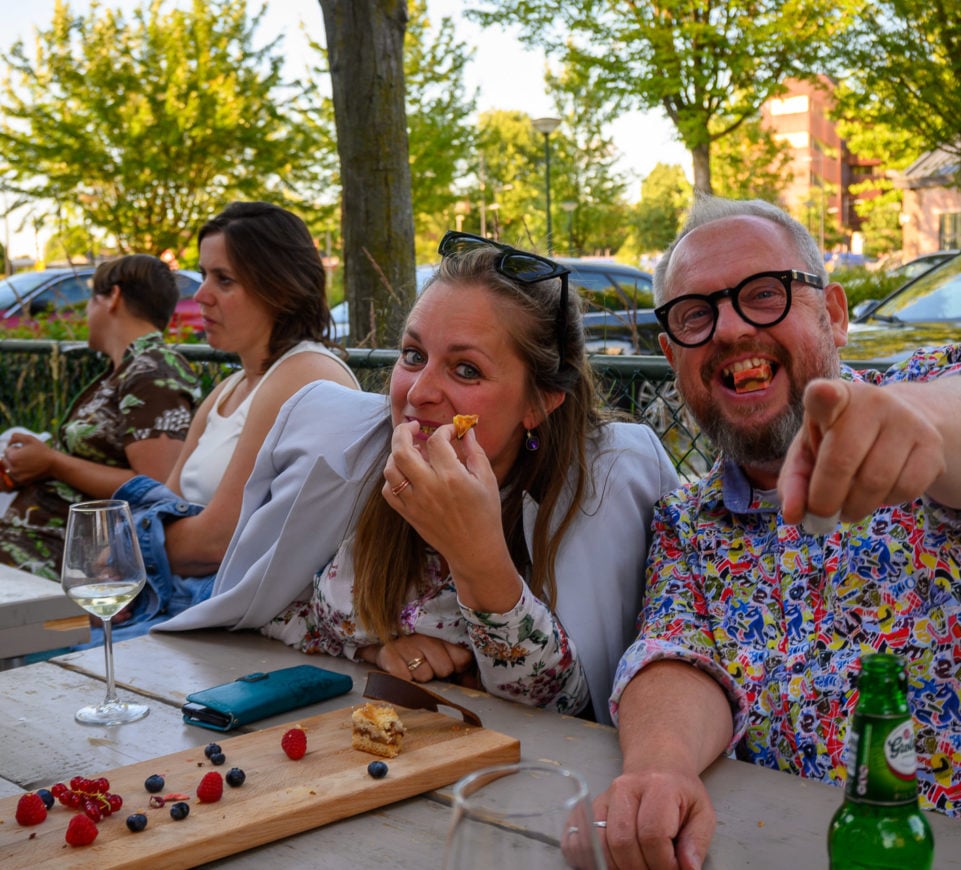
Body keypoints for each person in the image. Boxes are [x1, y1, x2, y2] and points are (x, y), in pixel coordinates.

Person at [592, 196, 961, 867]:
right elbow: (677, 653)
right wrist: (662, 766)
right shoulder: (690, 521)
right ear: (670, 353)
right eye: (694, 314)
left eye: (763, 295)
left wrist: (918, 425)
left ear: (832, 315)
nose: (730, 328)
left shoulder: (927, 396)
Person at [157, 232, 680, 723]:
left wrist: (476, 553)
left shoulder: (600, 492)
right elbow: (269, 605)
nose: (418, 391)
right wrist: (374, 648)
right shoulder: (363, 467)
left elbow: (566, 708)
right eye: (413, 356)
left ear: (539, 403)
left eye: (465, 370)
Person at [109, 201, 359, 636]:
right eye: (204, 275)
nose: (200, 295)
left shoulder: (305, 374)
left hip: (234, 618)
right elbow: (165, 502)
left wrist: (119, 557)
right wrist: (129, 557)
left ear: (279, 288)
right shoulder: (230, 388)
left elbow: (220, 540)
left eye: (223, 279)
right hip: (183, 599)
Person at [0, 254, 200, 580]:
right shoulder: (131, 369)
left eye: (91, 298)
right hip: (36, 557)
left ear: (113, 298)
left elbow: (156, 488)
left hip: (60, 567)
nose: (86, 312)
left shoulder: (154, 370)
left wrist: (52, 462)